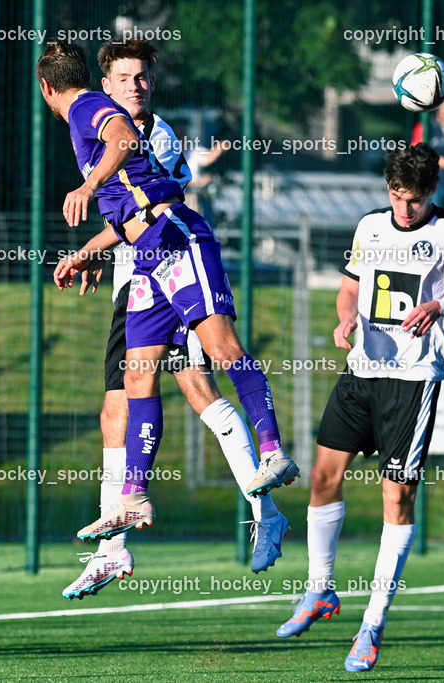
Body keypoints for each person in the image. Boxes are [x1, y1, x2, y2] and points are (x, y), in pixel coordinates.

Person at [37, 42, 298, 545]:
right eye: (126, 76)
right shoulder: (87, 113)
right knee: (138, 377)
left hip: (175, 239)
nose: (135, 85)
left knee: (221, 350)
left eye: (142, 77)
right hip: (145, 257)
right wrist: (91, 248)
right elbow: (129, 202)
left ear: (46, 88)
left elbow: (122, 139)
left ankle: (272, 450)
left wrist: (88, 187)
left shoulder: (88, 106)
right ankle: (132, 494)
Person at [275, 143, 444, 673]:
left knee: (396, 499)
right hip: (362, 373)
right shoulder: (370, 226)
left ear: (431, 194)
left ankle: (372, 625)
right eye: (398, 197)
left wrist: (441, 305)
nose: (405, 209)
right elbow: (349, 289)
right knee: (322, 479)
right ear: (387, 190)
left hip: (412, 382)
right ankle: (320, 590)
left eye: (416, 200)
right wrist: (345, 318)